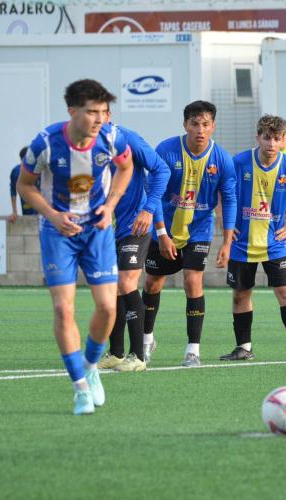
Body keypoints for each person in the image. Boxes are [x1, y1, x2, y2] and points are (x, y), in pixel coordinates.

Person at [17, 79, 134, 415]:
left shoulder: (111, 137)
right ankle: (80, 388)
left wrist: (110, 206)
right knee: (63, 310)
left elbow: (125, 167)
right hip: (58, 234)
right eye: (91, 112)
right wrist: (53, 216)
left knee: (108, 308)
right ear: (72, 111)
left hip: (97, 231)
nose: (99, 119)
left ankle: (91, 366)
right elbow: (25, 185)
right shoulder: (45, 143)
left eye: (103, 112)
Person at [142, 100, 237, 368]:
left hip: (199, 230)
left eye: (205, 124)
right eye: (194, 124)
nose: (200, 129)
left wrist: (227, 242)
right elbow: (153, 193)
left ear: (213, 126)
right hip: (164, 227)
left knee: (193, 281)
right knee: (153, 283)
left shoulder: (222, 159)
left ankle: (193, 350)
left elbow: (229, 199)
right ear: (185, 125)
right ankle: (146, 339)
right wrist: (161, 234)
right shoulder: (166, 150)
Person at [220, 115, 286, 362]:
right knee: (241, 295)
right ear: (258, 138)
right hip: (242, 243)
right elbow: (222, 190)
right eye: (267, 138)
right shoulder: (240, 162)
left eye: (277, 139)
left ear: (284, 141)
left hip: (276, 243)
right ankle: (244, 348)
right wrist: (226, 224)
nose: (271, 143)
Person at [98, 112, 171, 373]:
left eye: (99, 111)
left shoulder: (127, 138)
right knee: (112, 288)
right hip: (106, 227)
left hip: (135, 224)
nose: (94, 117)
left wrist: (149, 210)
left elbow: (161, 170)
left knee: (127, 282)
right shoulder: (81, 144)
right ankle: (117, 353)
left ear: (108, 114)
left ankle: (138, 356)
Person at [9, 147, 38, 223]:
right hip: (26, 207)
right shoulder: (16, 172)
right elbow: (13, 191)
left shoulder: (39, 169)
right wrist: (14, 211)